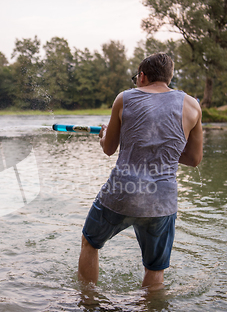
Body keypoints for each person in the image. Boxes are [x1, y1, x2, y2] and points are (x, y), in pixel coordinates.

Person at [78, 53, 203, 290]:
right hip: (161, 200)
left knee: (90, 242)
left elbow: (109, 149)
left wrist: (103, 135)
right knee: (155, 268)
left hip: (122, 192)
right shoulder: (192, 106)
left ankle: (89, 303)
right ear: (169, 77)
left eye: (137, 77)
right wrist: (163, 151)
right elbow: (194, 159)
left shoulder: (124, 99)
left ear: (142, 76)